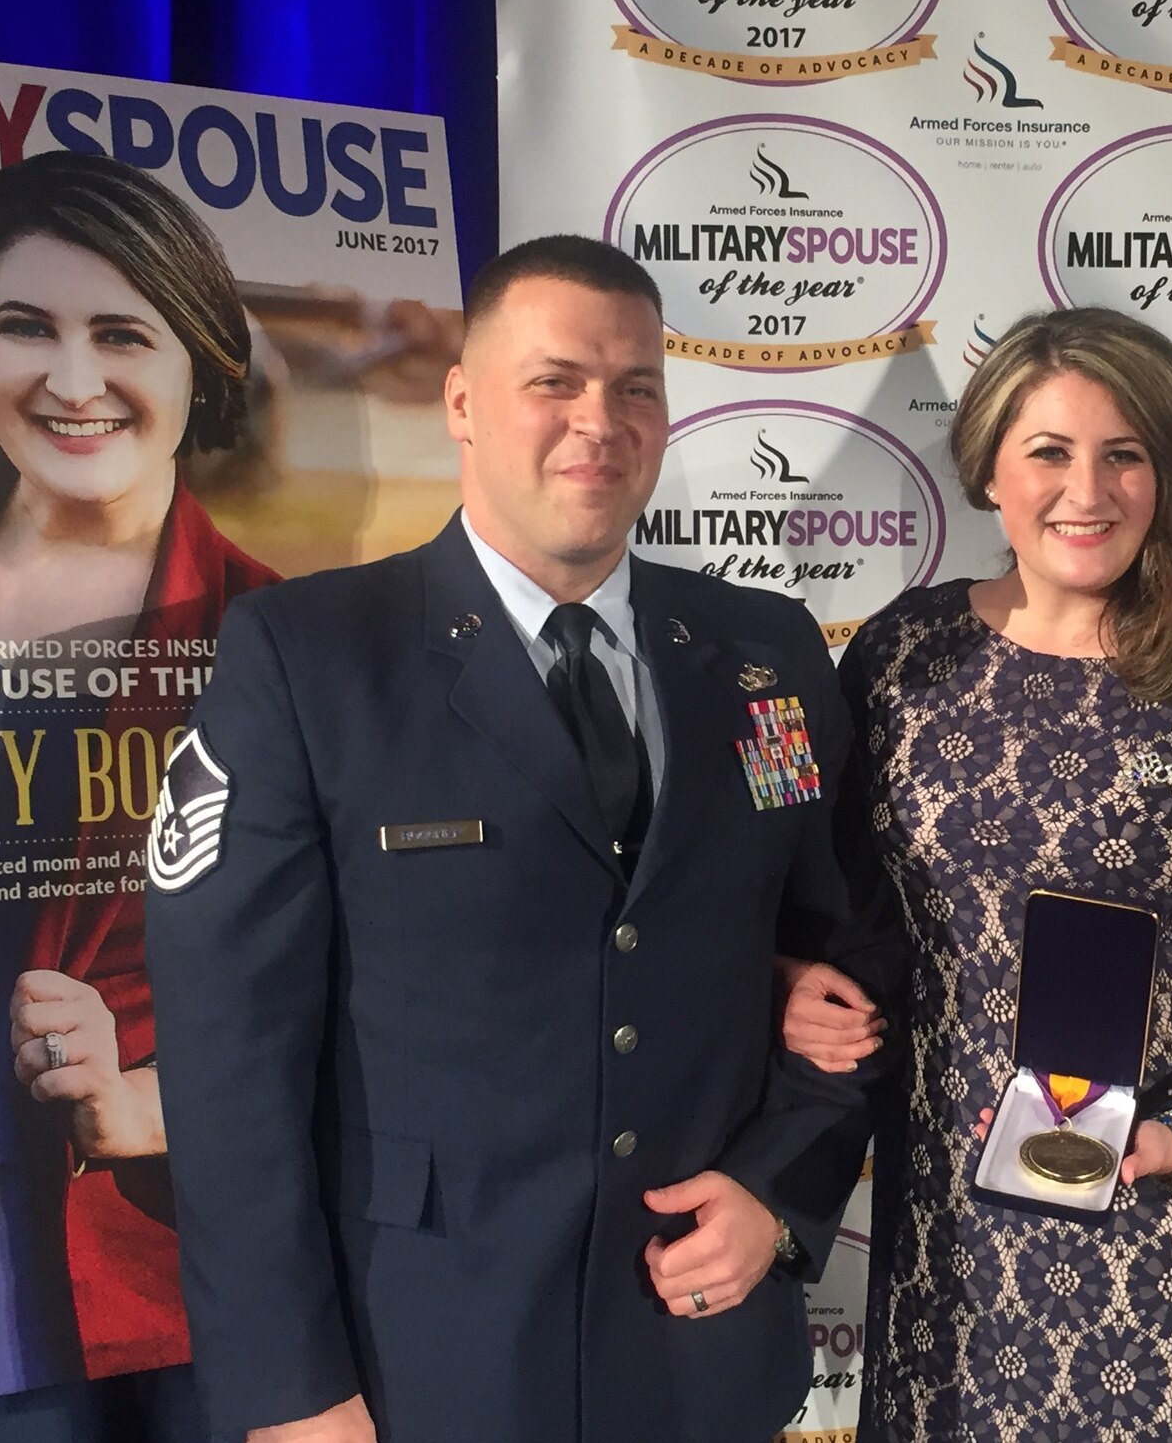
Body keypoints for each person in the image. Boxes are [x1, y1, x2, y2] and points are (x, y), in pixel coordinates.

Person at [142, 234, 892, 1443]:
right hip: (419, 1363)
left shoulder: (765, 654)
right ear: (462, 404)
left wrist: (779, 1192)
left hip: (696, 1351)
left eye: (634, 385)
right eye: (554, 381)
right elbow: (229, 1065)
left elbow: (850, 964)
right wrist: (290, 1390)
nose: (598, 419)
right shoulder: (307, 658)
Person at [779, 306, 1172, 1441]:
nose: (1084, 490)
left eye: (1123, 454)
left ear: (1165, 472)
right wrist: (794, 986)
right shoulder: (901, 657)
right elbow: (838, 922)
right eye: (1048, 451)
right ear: (988, 468)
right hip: (954, 1235)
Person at [0, 150, 274, 1440]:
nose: (70, 382)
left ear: (200, 367)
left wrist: (159, 1100)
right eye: (26, 327)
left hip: (152, 1254)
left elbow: (361, 966)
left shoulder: (285, 636)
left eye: (122, 335)